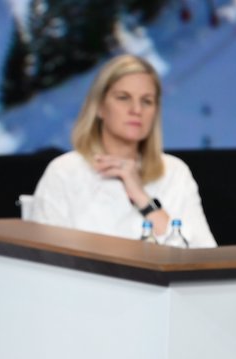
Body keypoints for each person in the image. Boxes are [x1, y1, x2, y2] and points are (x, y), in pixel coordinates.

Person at [29, 54, 217, 247]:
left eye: (147, 101)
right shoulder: (64, 171)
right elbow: (44, 260)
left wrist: (143, 199)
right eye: (123, 98)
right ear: (100, 107)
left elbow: (205, 255)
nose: (136, 109)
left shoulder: (175, 172)